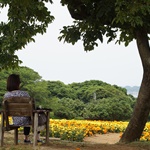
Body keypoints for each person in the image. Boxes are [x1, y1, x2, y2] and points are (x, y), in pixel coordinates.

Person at [3, 74, 42, 143]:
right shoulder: (25, 94)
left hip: (15, 121)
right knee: (34, 116)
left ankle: (27, 139)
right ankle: (36, 138)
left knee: (27, 116)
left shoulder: (6, 96)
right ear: (18, 83)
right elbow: (32, 109)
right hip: (28, 120)